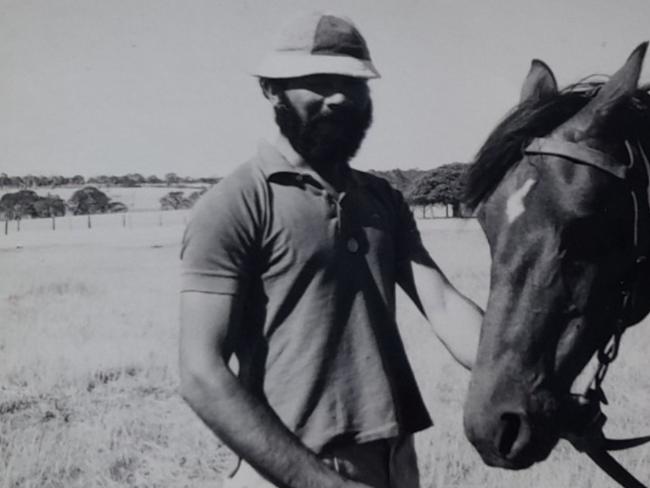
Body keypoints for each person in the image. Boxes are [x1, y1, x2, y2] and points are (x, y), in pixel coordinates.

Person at [179, 11, 483, 488]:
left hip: (394, 459)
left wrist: (541, 382)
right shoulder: (236, 203)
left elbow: (443, 305)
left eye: (353, 82)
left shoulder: (382, 199)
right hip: (287, 467)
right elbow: (201, 372)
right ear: (270, 89)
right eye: (317, 82)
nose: (340, 96)